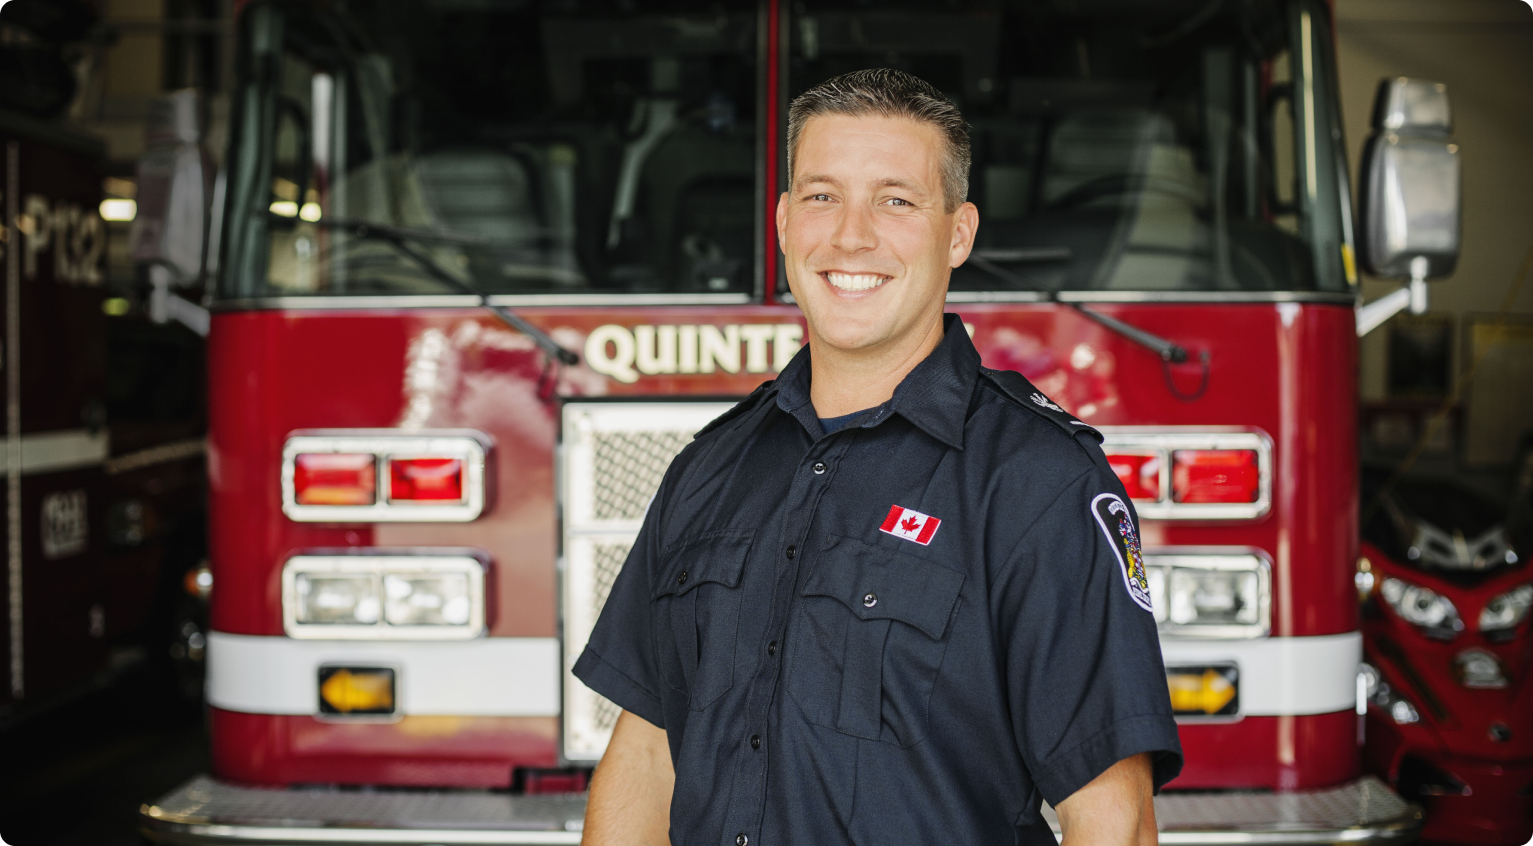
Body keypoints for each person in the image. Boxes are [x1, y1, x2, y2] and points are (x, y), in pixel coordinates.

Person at [574, 68, 1182, 846]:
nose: (850, 236)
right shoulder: (709, 467)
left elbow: (1112, 817)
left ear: (957, 234)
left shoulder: (1039, 483)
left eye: (895, 200)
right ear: (785, 222)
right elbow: (647, 753)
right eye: (822, 197)